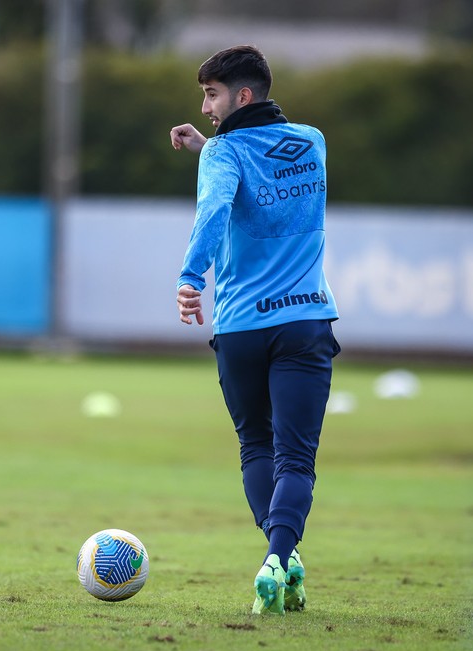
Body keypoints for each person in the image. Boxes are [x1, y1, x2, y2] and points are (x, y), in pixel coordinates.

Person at [170, 45, 340, 615]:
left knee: (255, 447)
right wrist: (207, 149)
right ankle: (278, 558)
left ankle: (281, 557)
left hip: (242, 324)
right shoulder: (313, 141)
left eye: (212, 94)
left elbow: (217, 208)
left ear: (242, 95)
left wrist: (192, 276)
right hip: (306, 319)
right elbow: (265, 171)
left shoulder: (223, 152)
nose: (206, 106)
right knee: (298, 459)